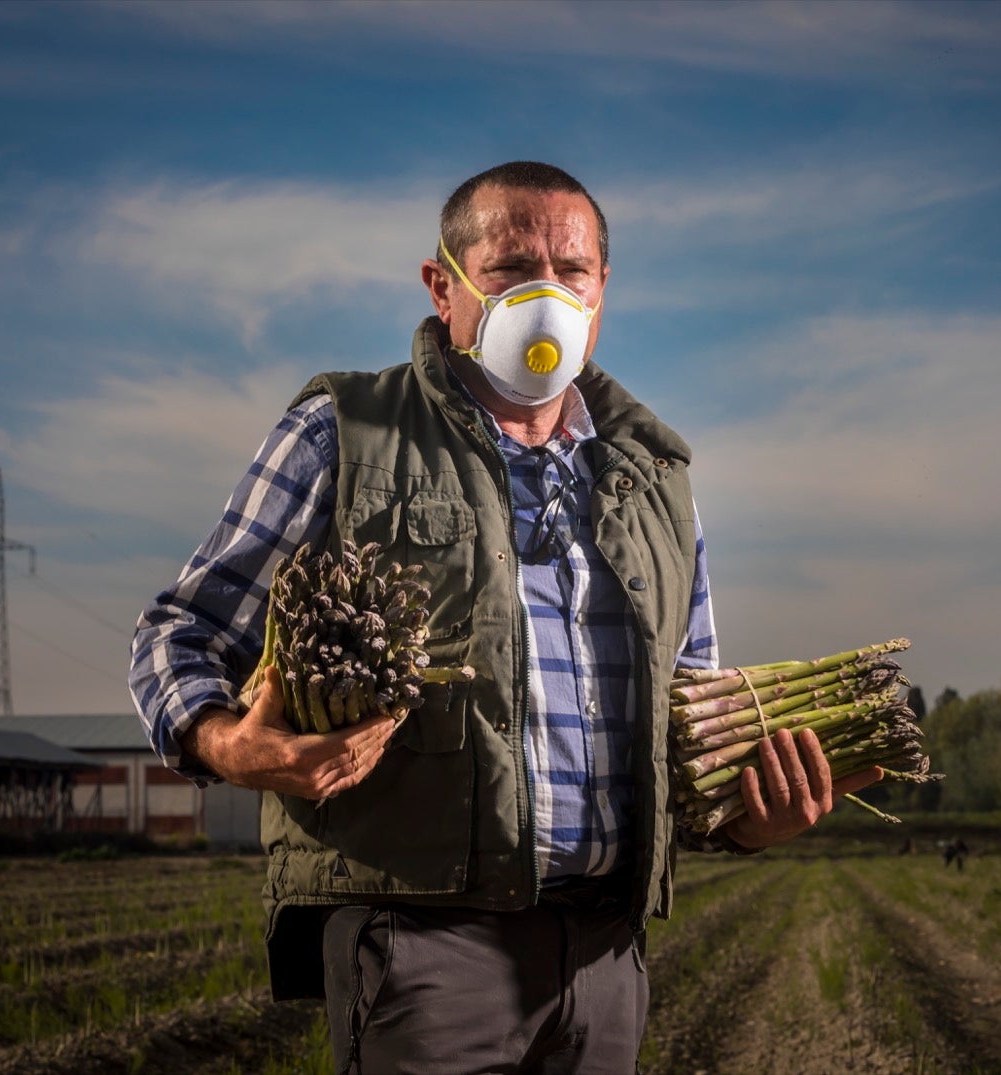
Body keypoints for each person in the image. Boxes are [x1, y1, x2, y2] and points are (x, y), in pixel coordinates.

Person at [129, 161, 881, 1073]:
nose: (547, 295)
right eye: (511, 268)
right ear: (442, 285)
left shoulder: (658, 482)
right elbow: (181, 632)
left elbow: (684, 731)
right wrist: (227, 745)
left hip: (606, 950)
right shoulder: (346, 430)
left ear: (603, 293)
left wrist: (746, 821)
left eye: (572, 271)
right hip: (424, 942)